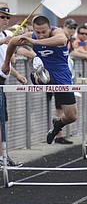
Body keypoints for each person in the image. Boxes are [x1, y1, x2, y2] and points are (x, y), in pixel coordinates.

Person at [2, 15, 78, 145]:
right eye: (38, 32)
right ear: (33, 30)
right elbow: (13, 42)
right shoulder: (30, 36)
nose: (41, 35)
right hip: (44, 73)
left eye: (44, 32)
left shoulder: (57, 32)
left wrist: (34, 42)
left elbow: (62, 41)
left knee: (71, 116)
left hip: (62, 76)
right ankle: (39, 75)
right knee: (43, 77)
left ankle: (57, 125)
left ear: (50, 28)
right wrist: (6, 62)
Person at [0, 2, 27, 166]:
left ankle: (3, 155)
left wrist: (16, 75)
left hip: (3, 80)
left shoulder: (5, 34)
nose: (6, 20)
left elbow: (4, 63)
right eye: (2, 17)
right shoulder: (3, 37)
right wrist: (3, 41)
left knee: (3, 119)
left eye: (7, 17)